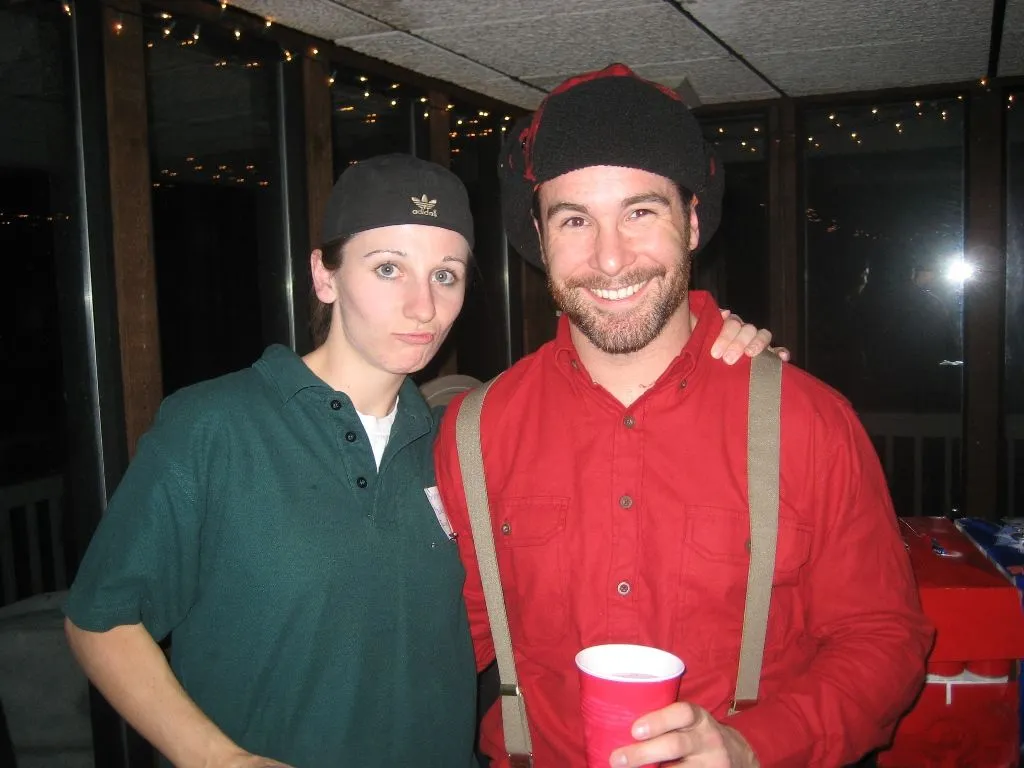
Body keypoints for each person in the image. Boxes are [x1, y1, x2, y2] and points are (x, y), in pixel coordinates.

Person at [62, 153, 776, 768]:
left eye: (446, 275)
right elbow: (100, 620)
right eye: (387, 268)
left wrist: (713, 340)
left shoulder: (454, 444)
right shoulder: (215, 426)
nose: (421, 306)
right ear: (324, 276)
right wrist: (217, 758)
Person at [433, 65, 934, 768]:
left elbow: (883, 640)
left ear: (692, 221)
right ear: (540, 239)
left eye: (641, 212)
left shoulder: (808, 422)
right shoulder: (475, 432)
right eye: (575, 220)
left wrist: (752, 746)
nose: (610, 258)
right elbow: (433, 647)